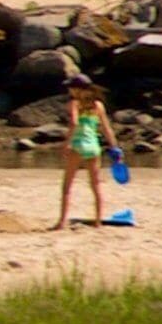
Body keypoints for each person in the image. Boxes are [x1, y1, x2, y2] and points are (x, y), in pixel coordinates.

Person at [55, 79, 114, 229]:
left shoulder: (74, 103)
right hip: (93, 147)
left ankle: (62, 222)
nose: (69, 91)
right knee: (95, 185)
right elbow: (106, 129)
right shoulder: (98, 105)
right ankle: (98, 221)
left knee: (67, 186)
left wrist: (66, 143)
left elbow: (74, 123)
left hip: (78, 145)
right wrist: (114, 147)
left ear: (77, 89)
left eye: (71, 88)